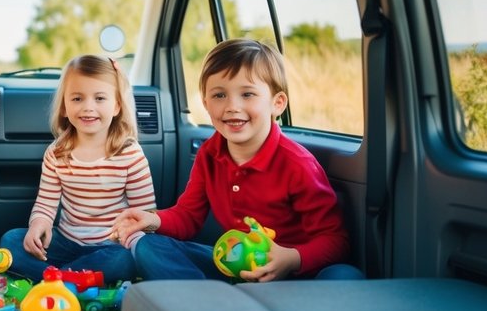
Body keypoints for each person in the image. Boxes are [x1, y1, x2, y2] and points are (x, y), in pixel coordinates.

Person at [111, 38, 362, 281]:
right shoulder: (209, 154)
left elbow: (335, 240)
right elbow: (188, 216)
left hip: (294, 275)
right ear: (206, 103)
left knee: (344, 275)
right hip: (234, 266)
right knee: (149, 247)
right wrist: (153, 220)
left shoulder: (297, 164)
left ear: (277, 103)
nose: (232, 106)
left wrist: (291, 259)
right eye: (220, 95)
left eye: (247, 94)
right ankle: (210, 299)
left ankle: (228, 299)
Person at [0, 55, 156, 283]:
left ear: (116, 106)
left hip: (110, 247)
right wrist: (38, 226)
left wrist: (128, 241)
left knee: (125, 260)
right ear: (64, 106)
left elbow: (145, 215)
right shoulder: (57, 153)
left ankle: (54, 279)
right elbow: (45, 204)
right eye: (77, 98)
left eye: (100, 98)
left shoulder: (129, 153)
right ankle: (73, 279)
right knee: (11, 240)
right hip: (66, 243)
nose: (88, 107)